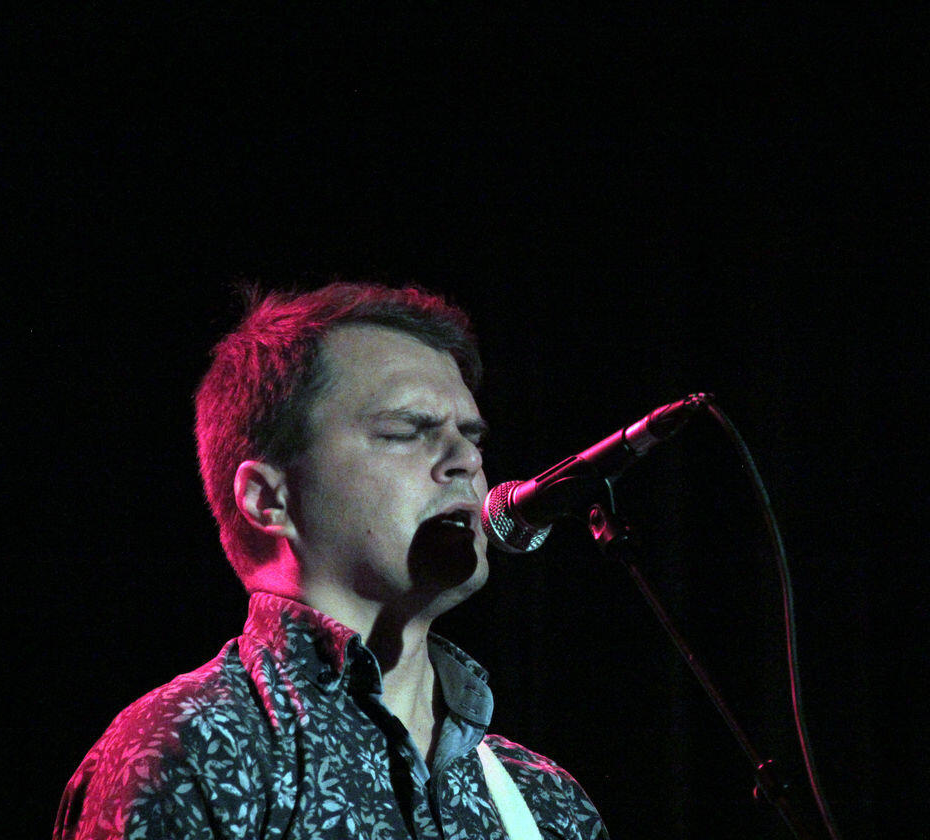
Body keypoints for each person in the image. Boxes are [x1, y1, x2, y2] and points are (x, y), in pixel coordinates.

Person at [53, 282, 609, 839]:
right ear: (268, 500)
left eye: (472, 437)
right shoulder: (192, 751)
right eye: (404, 432)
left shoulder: (546, 800)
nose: (466, 459)